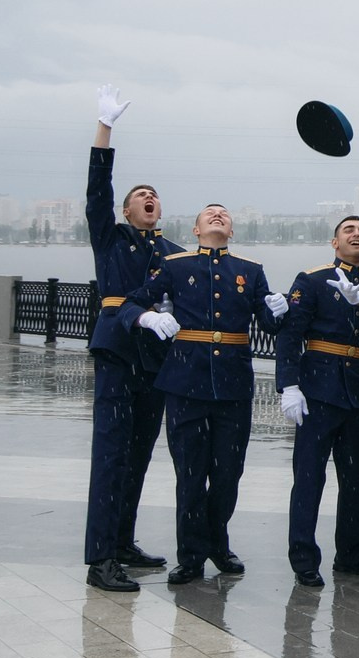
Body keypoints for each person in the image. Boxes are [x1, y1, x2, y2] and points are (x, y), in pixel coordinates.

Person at [118, 205, 286, 585]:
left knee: (228, 473)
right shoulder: (175, 265)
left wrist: (280, 309)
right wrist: (149, 318)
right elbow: (130, 303)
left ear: (231, 229)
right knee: (190, 474)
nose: (217, 216)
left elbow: (270, 324)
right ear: (195, 230)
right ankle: (192, 555)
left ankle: (217, 541)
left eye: (223, 215)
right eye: (209, 214)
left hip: (232, 384)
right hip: (184, 382)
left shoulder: (250, 270)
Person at [82, 86, 179, 592]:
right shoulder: (112, 238)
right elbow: (98, 190)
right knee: (111, 455)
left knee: (139, 456)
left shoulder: (172, 250)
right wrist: (106, 129)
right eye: (140, 196)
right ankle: (100, 559)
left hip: (155, 364)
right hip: (119, 355)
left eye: (154, 195)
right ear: (125, 212)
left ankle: (122, 541)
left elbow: (207, 279)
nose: (149, 198)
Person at [276, 216, 359, 585]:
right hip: (318, 390)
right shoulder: (313, 280)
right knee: (308, 478)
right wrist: (288, 385)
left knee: (356, 480)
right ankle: (303, 557)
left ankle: (351, 553)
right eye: (348, 231)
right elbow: (290, 335)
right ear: (334, 242)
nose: (357, 235)